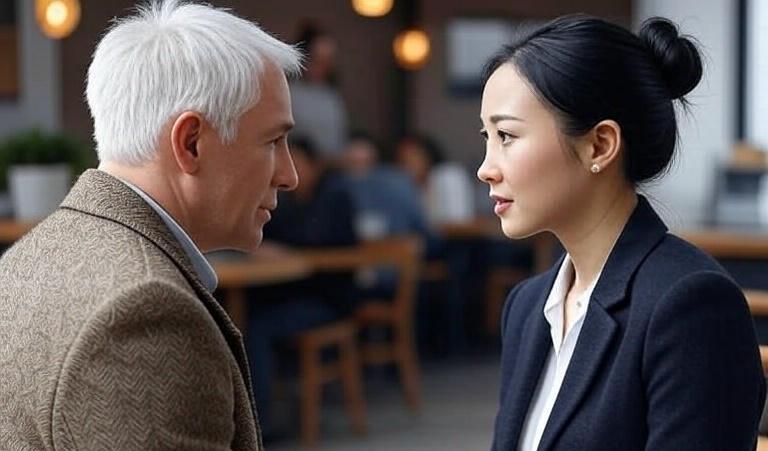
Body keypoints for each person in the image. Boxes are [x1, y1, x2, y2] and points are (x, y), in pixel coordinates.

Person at [0, 1, 301, 449]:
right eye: (273, 141)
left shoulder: (27, 258)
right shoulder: (145, 313)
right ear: (191, 143)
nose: (289, 174)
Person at [477, 15, 765, 451]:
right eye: (487, 137)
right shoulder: (527, 306)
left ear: (600, 145)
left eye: (506, 136)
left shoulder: (690, 306)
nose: (485, 168)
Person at [246, 137, 358, 438]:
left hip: (328, 300)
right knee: (241, 315)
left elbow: (335, 248)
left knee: (257, 328)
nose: (288, 171)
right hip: (289, 292)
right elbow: (264, 240)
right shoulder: (283, 200)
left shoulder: (335, 197)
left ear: (315, 165)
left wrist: (288, 252)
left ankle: (261, 423)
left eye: (296, 162)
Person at [290, 23, 349, 160]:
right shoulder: (287, 93)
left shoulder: (332, 95)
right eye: (318, 60)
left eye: (329, 60)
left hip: (336, 167)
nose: (324, 66)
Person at [395, 134, 475, 225]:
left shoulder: (448, 175)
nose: (408, 165)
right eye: (403, 161)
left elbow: (457, 219)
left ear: (427, 156)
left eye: (412, 157)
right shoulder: (407, 188)